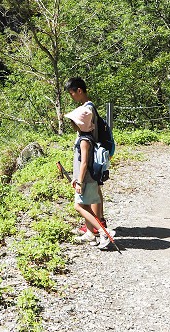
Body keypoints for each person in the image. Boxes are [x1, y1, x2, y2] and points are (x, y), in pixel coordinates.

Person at [63, 77, 114, 250]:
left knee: (86, 200)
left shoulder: (88, 110)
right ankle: (93, 230)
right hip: (88, 171)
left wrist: (80, 179)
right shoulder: (87, 110)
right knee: (87, 199)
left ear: (79, 90)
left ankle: (100, 229)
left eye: (72, 93)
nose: (72, 97)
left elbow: (85, 159)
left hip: (88, 170)